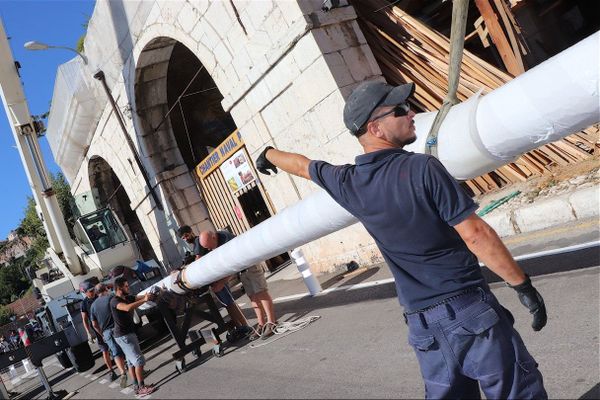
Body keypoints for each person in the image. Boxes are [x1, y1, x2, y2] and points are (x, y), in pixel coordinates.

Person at [254, 80, 548, 399]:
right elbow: (476, 234)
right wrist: (522, 286)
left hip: (423, 328)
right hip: (467, 310)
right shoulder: (423, 169)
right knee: (516, 392)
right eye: (400, 110)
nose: (411, 113)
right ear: (376, 128)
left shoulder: (348, 182)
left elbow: (302, 166)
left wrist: (268, 154)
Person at [199, 230, 278, 340]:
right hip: (243, 269)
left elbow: (233, 264)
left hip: (251, 264)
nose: (209, 249)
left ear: (213, 237)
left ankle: (271, 322)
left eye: (209, 246)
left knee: (261, 293)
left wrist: (222, 282)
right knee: (253, 298)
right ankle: (261, 325)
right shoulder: (218, 242)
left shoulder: (227, 240)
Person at [177, 225, 251, 339]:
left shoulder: (198, 241)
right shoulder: (196, 244)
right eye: (183, 238)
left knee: (229, 303)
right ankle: (240, 326)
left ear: (191, 232)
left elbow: (198, 261)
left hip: (216, 278)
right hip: (214, 278)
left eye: (186, 235)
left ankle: (244, 326)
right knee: (227, 304)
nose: (185, 238)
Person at [110, 277, 156, 396]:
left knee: (131, 362)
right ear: (119, 289)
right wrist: (145, 300)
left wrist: (150, 294)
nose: (128, 287)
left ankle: (136, 385)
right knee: (139, 361)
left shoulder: (127, 297)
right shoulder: (114, 301)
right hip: (124, 336)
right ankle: (141, 387)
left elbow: (138, 297)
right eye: (126, 286)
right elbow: (127, 308)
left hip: (126, 334)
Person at [90, 283, 128, 388]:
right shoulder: (111, 297)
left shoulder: (93, 306)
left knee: (116, 353)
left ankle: (122, 373)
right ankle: (138, 371)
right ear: (106, 289)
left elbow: (94, 324)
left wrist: (101, 334)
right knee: (127, 349)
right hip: (118, 328)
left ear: (96, 293)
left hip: (106, 332)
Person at [80, 281, 115, 379]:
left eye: (93, 290)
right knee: (105, 350)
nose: (92, 292)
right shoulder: (84, 304)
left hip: (108, 325)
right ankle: (111, 371)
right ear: (85, 293)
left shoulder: (99, 297)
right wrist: (88, 333)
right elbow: (84, 319)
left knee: (116, 345)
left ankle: (125, 364)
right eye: (90, 291)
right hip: (98, 329)